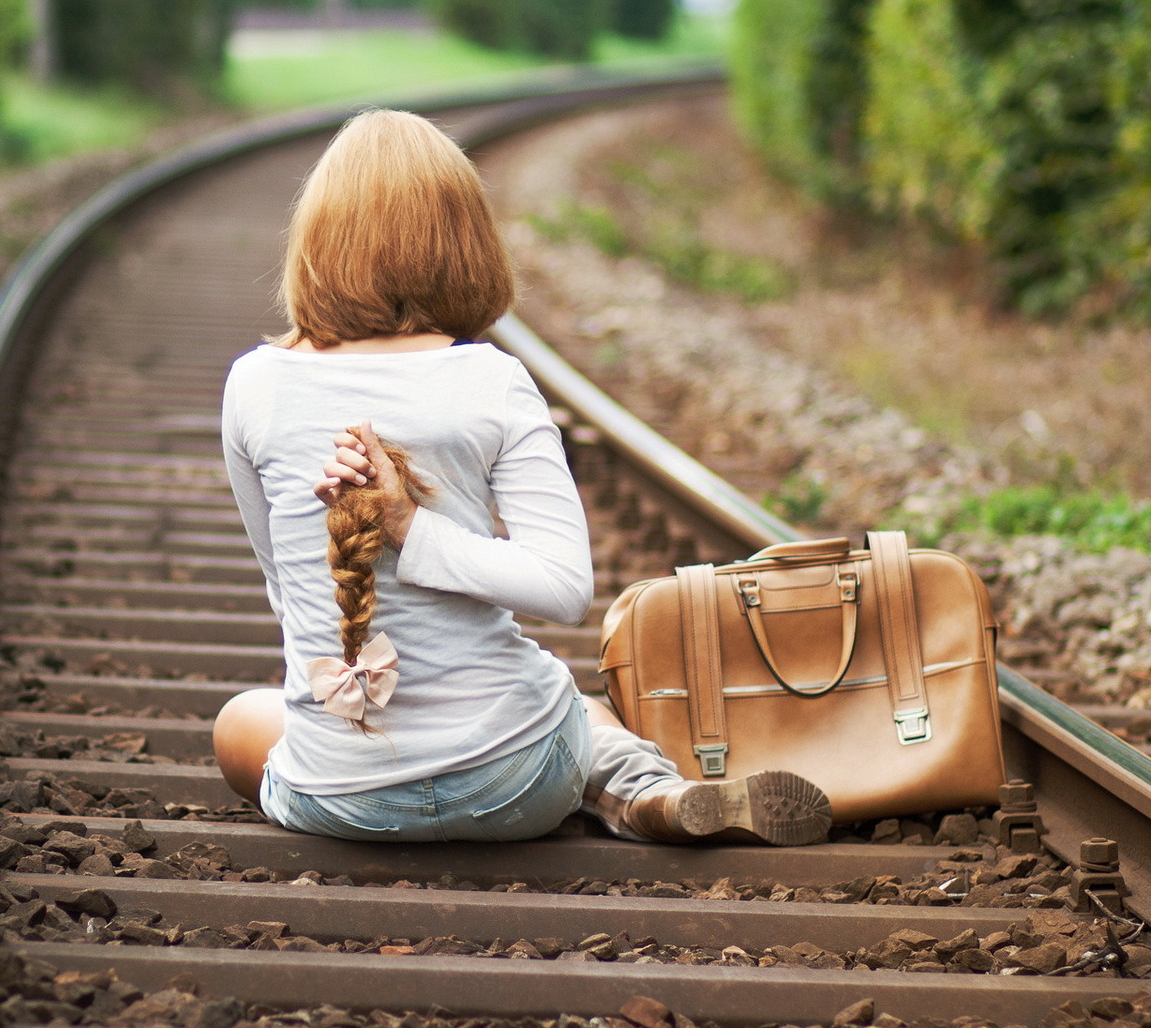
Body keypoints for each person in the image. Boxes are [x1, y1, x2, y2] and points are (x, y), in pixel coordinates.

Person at [214, 108, 832, 845]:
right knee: (573, 704)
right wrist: (411, 528)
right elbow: (564, 588)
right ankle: (643, 791)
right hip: (512, 786)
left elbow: (289, 597)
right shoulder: (493, 380)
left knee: (240, 722)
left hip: (342, 799)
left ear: (315, 241)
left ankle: (618, 789)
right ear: (462, 243)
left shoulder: (254, 385)